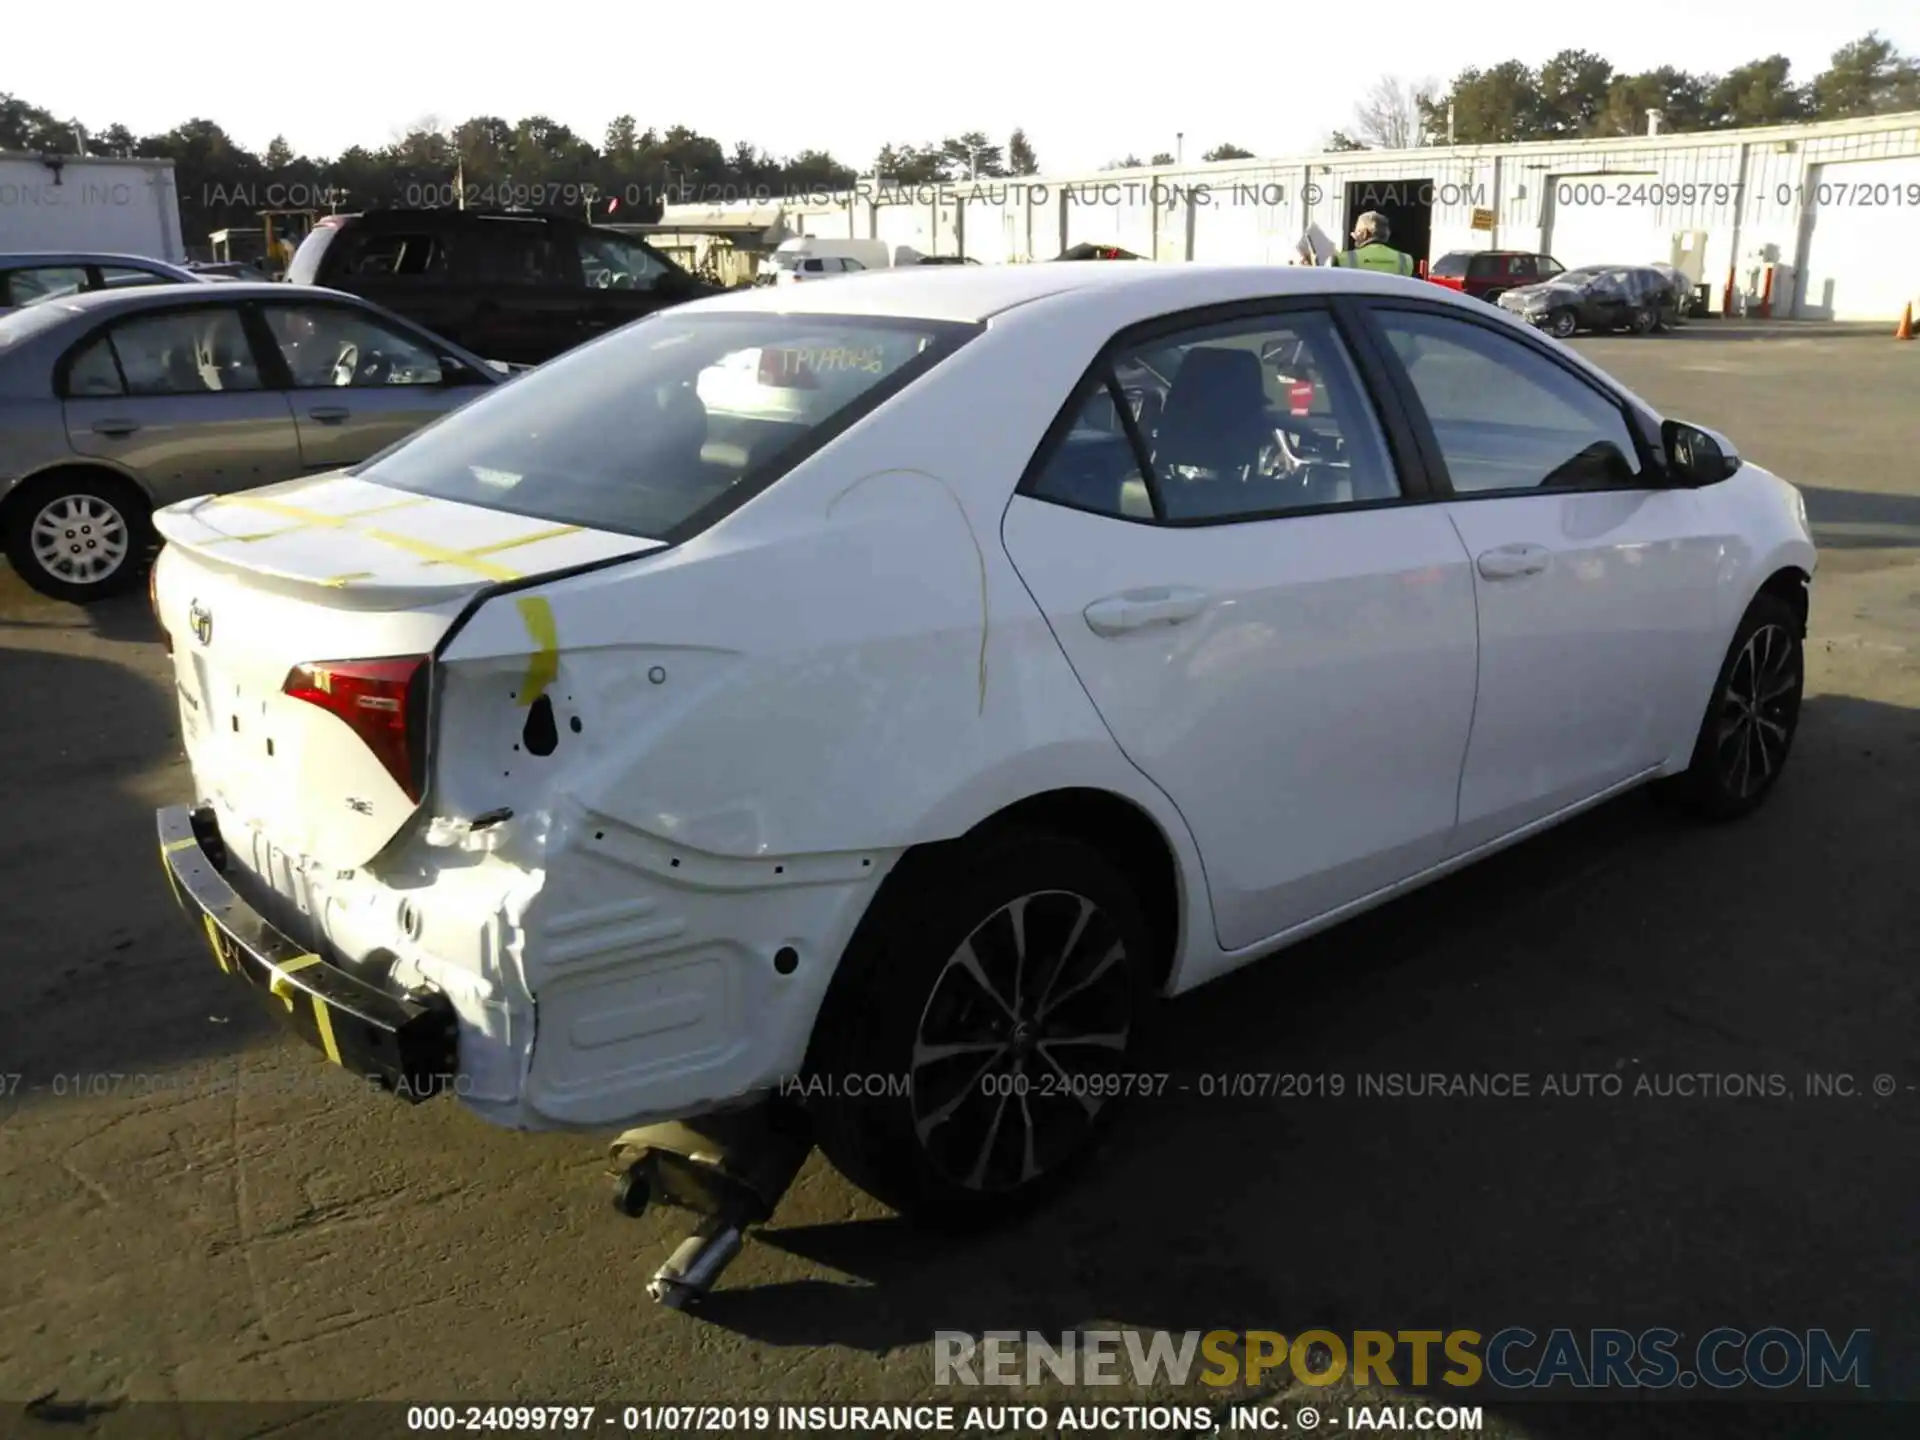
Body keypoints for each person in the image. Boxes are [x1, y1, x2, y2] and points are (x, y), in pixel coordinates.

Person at [1331, 212, 1415, 275]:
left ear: (1365, 233)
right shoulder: (1405, 260)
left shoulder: (1343, 260)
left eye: (1356, 231)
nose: (1353, 235)